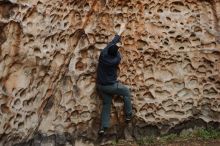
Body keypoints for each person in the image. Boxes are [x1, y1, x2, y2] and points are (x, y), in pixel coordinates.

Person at [96, 23, 132, 135]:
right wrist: (119, 46)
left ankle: (103, 127)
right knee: (126, 92)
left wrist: (120, 31)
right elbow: (114, 49)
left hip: (100, 86)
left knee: (107, 104)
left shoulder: (103, 55)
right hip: (111, 86)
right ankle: (128, 115)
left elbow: (111, 44)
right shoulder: (116, 59)